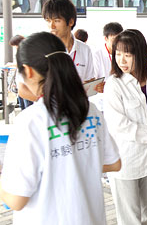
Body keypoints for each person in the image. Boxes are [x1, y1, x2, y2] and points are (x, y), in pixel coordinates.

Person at [0, 31, 121, 225]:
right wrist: (74, 162)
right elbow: (114, 163)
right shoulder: (90, 110)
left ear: (28, 72)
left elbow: (16, 199)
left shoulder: (30, 121)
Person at [103, 29, 147, 225]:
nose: (121, 60)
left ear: (140, 54)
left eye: (128, 54)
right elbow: (121, 126)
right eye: (117, 53)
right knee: (130, 220)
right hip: (125, 159)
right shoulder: (114, 85)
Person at [42, 0, 95, 83]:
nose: (52, 26)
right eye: (48, 21)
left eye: (57, 21)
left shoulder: (85, 50)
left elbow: (89, 80)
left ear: (71, 22)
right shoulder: (43, 50)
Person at [8, 35, 34, 110]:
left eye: (15, 45)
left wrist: (12, 65)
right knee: (23, 107)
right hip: (21, 84)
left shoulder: (27, 51)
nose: (15, 47)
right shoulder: (22, 51)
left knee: (27, 108)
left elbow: (26, 64)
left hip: (26, 84)